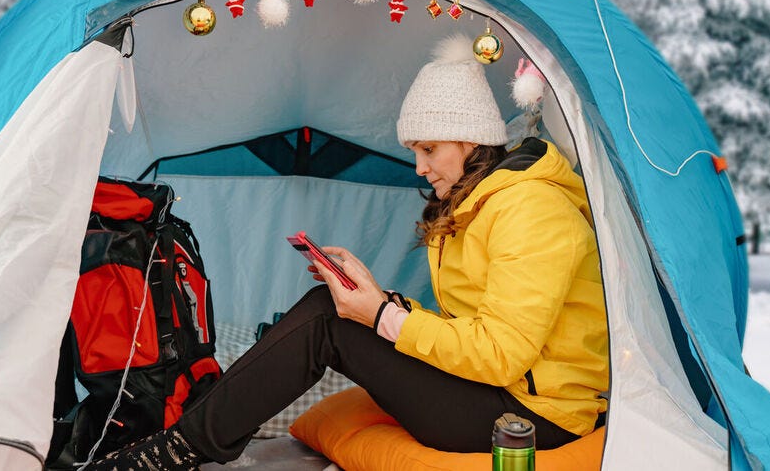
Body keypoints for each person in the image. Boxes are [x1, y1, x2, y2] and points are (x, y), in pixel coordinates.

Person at [89, 34, 609, 471]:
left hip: (529, 419)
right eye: (415, 153)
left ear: (470, 142)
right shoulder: (484, 206)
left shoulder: (531, 210)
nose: (419, 168)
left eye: (428, 150)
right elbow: (473, 329)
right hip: (499, 391)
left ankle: (177, 448)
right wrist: (381, 301)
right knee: (334, 307)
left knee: (326, 320)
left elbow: (500, 354)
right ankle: (191, 433)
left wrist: (382, 315)